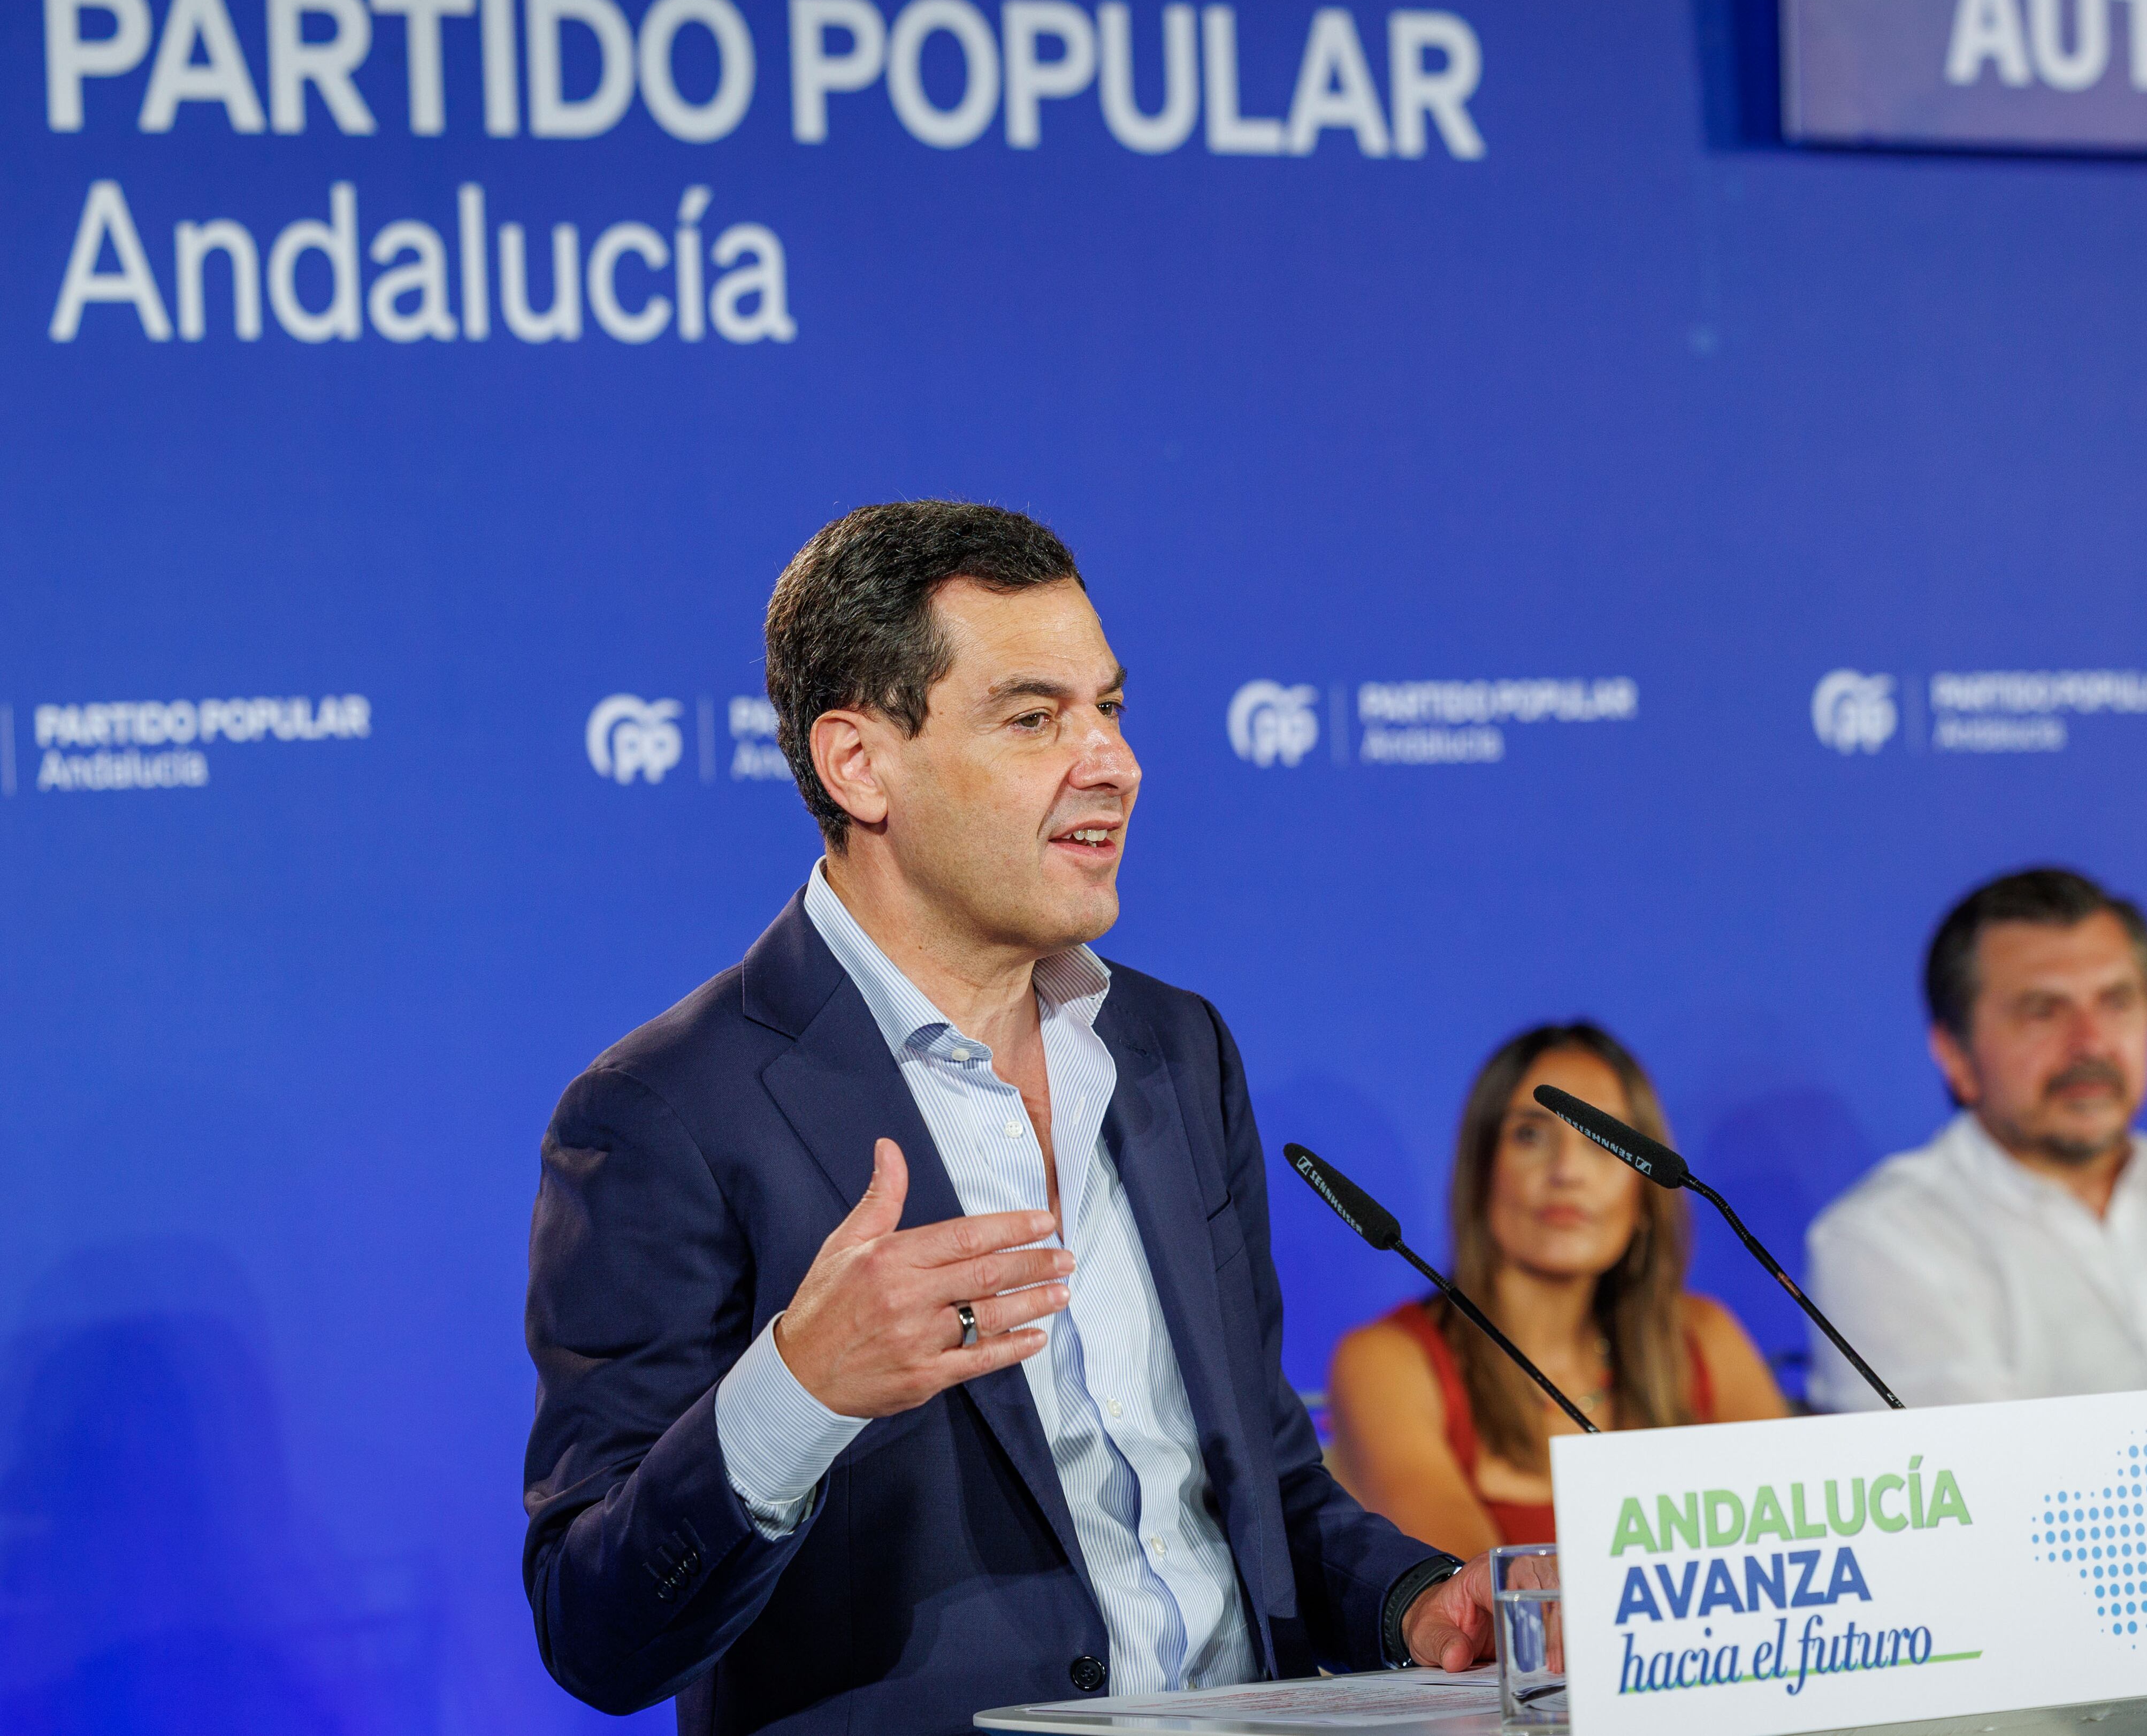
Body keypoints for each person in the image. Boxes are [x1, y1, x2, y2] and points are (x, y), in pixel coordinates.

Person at [522, 503, 1496, 1734]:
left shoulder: (1172, 1048)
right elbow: (595, 1631)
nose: (1113, 763)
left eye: (1111, 709)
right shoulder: (666, 1111)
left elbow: (1264, 1481)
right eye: (1034, 718)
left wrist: (1415, 1603)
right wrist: (797, 1391)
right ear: (859, 764)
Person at [1802, 867, 2147, 1411]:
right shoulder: (1886, 1240)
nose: (2090, 1043)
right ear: (1954, 1054)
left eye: (2116, 1002)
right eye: (2042, 1012)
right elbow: (1968, 1463)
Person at [1323, 1024, 1786, 1555]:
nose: (1566, 1171)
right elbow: (1477, 1593)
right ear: (1481, 1170)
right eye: (1530, 1135)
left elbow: (1802, 1544)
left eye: (1606, 1141)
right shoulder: (1387, 1363)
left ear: (1645, 1190)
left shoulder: (1704, 1339)